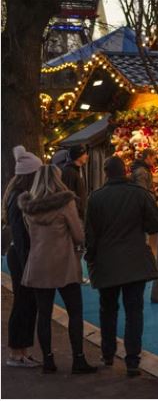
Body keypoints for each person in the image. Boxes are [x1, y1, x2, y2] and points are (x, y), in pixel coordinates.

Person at [85, 156, 158, 377]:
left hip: (107, 262)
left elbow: (90, 235)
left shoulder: (96, 198)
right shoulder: (139, 194)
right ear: (125, 172)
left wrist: (91, 259)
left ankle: (108, 353)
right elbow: (157, 222)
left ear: (106, 173)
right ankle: (132, 360)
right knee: (134, 311)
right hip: (135, 261)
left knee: (107, 310)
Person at [19, 165, 96, 374]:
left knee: (43, 314)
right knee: (75, 312)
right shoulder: (65, 202)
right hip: (64, 265)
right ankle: (78, 360)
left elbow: (29, 234)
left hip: (38, 264)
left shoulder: (28, 206)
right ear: (57, 179)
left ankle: (48, 361)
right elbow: (79, 235)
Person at [4, 146, 42, 368]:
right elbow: (21, 234)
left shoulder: (15, 195)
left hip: (19, 255)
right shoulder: (20, 198)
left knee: (25, 302)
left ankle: (21, 351)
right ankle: (17, 352)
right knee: (24, 303)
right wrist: (30, 261)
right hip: (22, 257)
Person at [61, 145, 89, 221]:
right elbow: (68, 194)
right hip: (74, 215)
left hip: (79, 213)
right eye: (84, 154)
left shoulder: (79, 169)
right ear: (78, 156)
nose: (86, 156)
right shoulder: (69, 172)